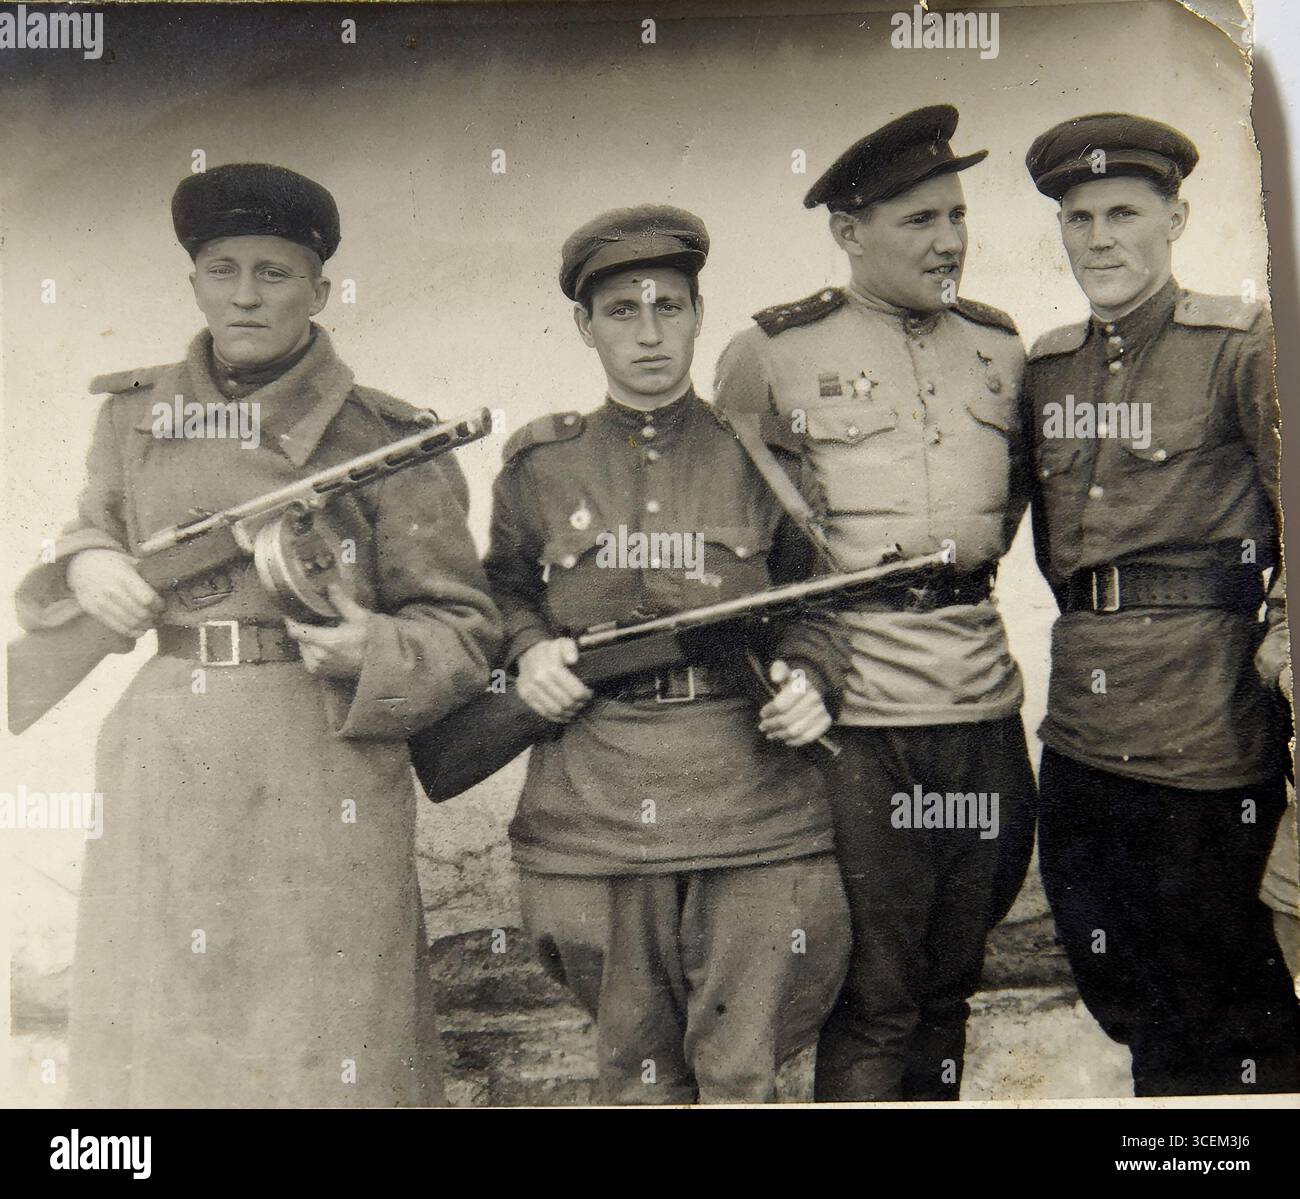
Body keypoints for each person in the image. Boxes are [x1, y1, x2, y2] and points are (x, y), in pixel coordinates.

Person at [14, 163, 503, 1106]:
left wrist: (379, 651)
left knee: (330, 1035)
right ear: (193, 280)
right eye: (224, 268)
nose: (246, 294)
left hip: (322, 761)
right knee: (166, 1031)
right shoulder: (133, 415)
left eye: (274, 273)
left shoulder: (387, 435)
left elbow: (463, 629)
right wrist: (84, 562)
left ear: (320, 290)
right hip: (168, 756)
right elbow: (92, 524)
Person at [482, 204, 851, 1104]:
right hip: (597, 803)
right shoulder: (541, 465)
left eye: (669, 307)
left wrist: (811, 679)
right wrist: (528, 649)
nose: (649, 334)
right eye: (621, 311)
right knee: (634, 1073)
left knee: (740, 1073)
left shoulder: (763, 459)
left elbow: (820, 606)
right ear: (583, 325)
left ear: (696, 313)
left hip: (749, 800)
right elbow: (499, 589)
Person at [713, 105, 1036, 1102]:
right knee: (875, 989)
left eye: (956, 215)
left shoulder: (999, 345)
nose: (948, 241)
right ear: (850, 232)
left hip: (982, 711)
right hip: (859, 724)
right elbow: (737, 547)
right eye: (918, 221)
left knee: (953, 978)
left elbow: (1011, 505)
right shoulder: (771, 353)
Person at [1021, 112, 1299, 1094]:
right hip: (1082, 732)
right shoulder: (1046, 366)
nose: (1098, 237)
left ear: (1174, 217)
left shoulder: (1242, 343)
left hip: (1204, 732)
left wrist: (1277, 635)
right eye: (1078, 217)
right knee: (1116, 981)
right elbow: (1055, 545)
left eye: (1123, 213)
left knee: (1224, 996)